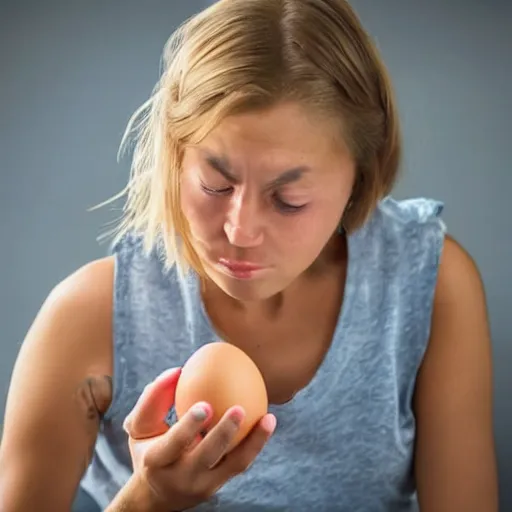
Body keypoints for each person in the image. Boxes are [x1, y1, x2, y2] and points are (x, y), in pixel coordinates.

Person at [0, 0, 499, 510]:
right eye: (216, 184)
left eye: (289, 200)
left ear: (360, 178)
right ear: (175, 156)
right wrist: (146, 499)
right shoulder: (90, 317)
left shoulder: (425, 285)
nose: (240, 230)